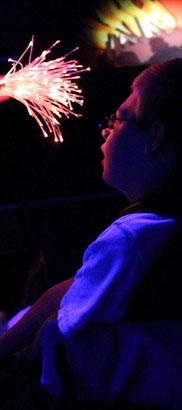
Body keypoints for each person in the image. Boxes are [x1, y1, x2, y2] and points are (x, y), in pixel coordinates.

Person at [0, 59, 182, 409]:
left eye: (118, 119)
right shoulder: (155, 227)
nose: (104, 130)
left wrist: (15, 356)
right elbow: (67, 291)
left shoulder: (130, 239)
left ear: (155, 137)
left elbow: (56, 334)